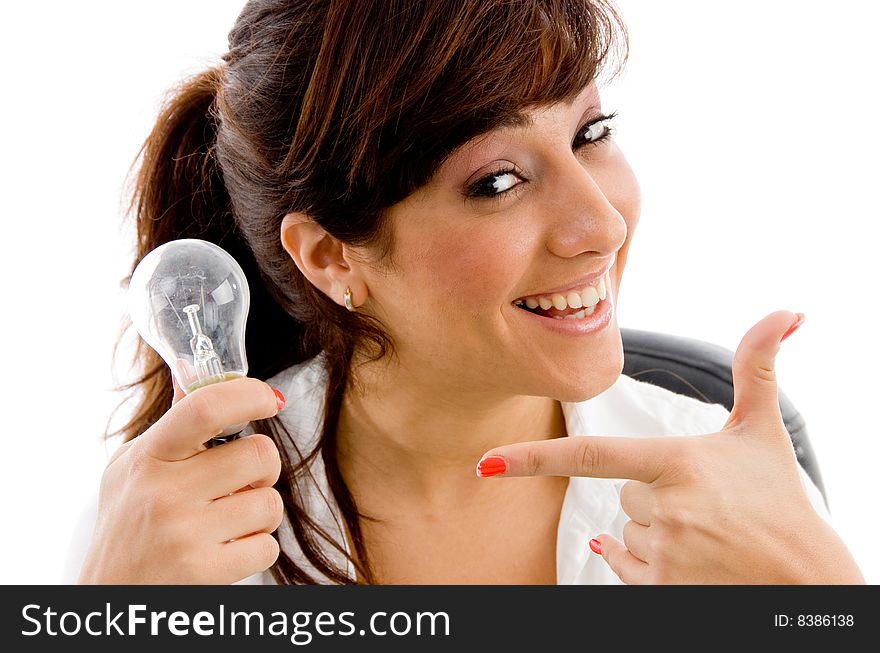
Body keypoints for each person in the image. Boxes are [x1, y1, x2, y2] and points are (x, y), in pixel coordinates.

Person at [67, 0, 864, 585]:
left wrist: (822, 593)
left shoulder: (728, 492)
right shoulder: (172, 540)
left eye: (591, 133)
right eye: (499, 180)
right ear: (331, 255)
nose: (602, 225)